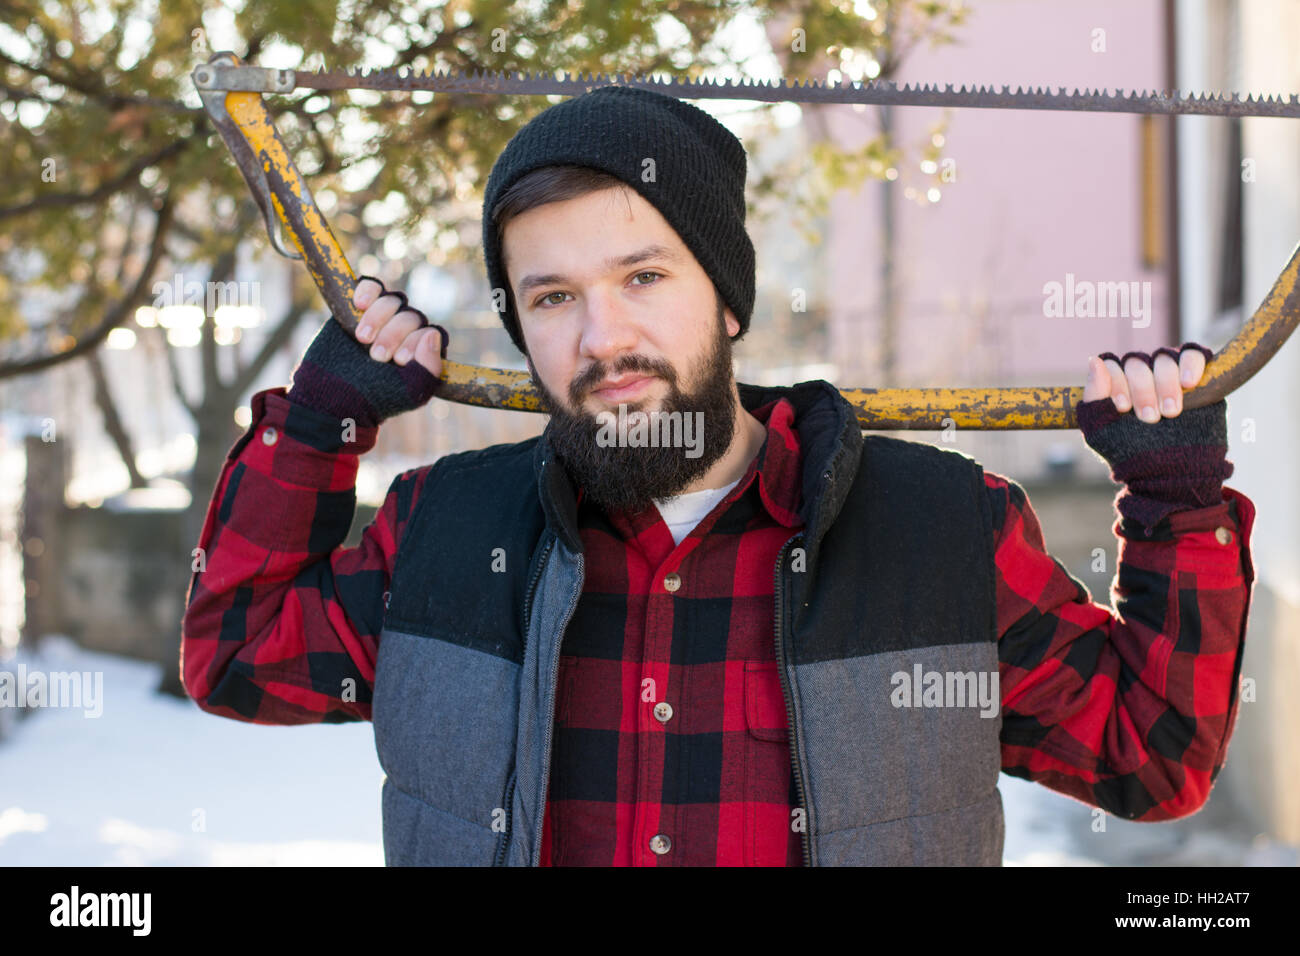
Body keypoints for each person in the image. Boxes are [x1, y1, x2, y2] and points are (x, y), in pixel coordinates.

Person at [180, 85, 1256, 866]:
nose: (604, 335)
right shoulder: (444, 532)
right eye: (551, 297)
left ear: (727, 300)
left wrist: (1175, 503)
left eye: (644, 275)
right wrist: (317, 425)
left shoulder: (937, 531)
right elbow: (233, 653)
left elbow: (1148, 757)